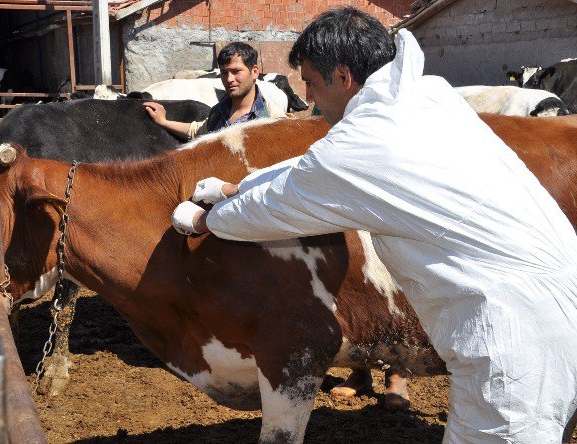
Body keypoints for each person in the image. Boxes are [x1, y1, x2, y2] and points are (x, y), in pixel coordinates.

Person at [171, 6, 577, 443]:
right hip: (565, 306)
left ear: (342, 77)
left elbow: (278, 206)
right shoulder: (424, 95)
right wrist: (238, 187)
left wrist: (206, 218)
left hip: (513, 344)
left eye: (310, 81)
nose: (309, 98)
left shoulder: (363, 144)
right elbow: (317, 165)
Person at [143, 42, 286, 140]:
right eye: (224, 72)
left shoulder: (273, 120)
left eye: (236, 71)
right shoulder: (218, 112)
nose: (229, 79)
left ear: (254, 72)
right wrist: (163, 121)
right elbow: (197, 131)